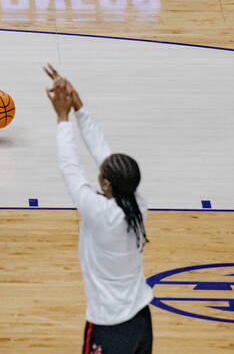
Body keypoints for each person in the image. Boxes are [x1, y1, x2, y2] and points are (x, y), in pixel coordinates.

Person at [44, 64, 153, 354]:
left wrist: (62, 117)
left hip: (110, 326)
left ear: (106, 184)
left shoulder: (100, 214)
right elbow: (101, 150)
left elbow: (70, 166)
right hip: (141, 320)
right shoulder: (137, 203)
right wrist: (78, 105)